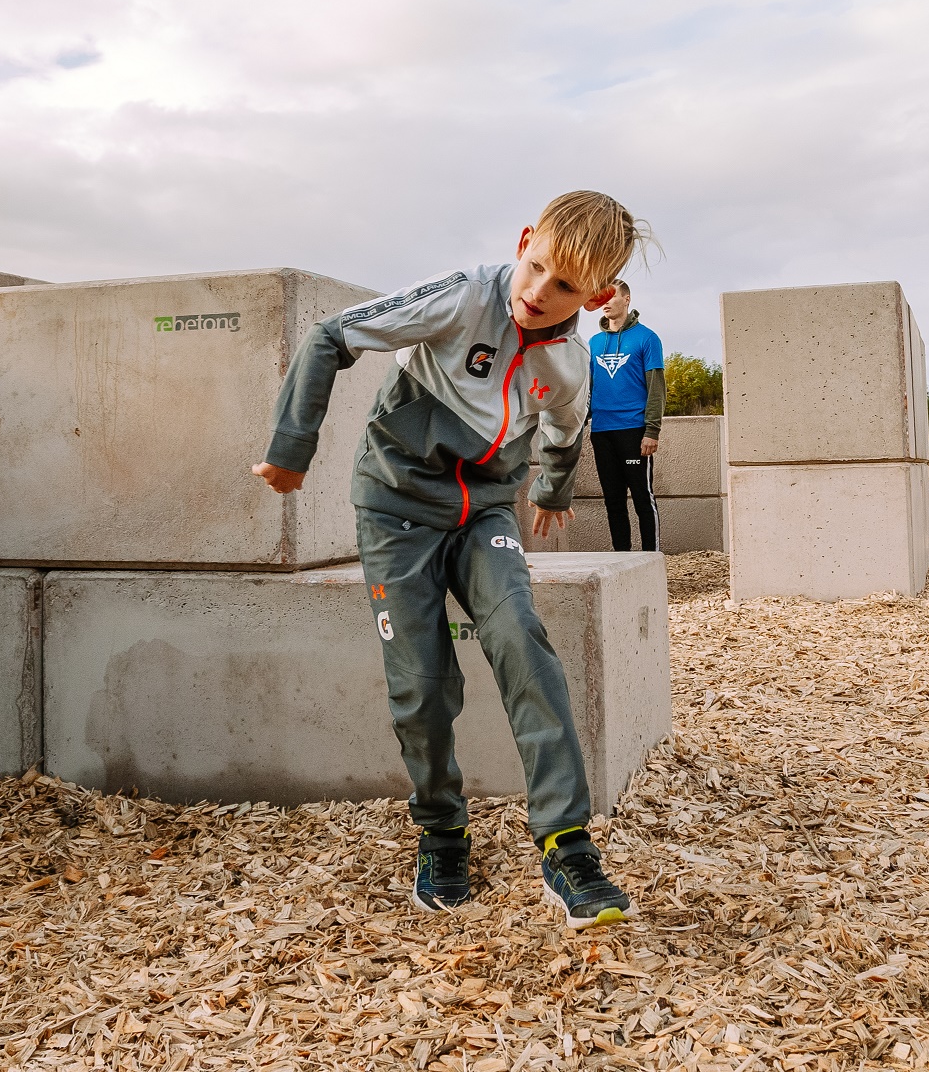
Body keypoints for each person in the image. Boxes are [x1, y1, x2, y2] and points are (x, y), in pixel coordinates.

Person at [250, 190, 644, 929]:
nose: (536, 294)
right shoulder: (463, 296)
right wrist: (289, 448)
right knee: (423, 683)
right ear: (524, 241)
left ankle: (566, 845)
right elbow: (332, 336)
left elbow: (565, 426)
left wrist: (554, 491)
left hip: (483, 514)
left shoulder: (567, 360)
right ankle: (441, 829)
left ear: (593, 297)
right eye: (534, 269)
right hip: (397, 507)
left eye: (562, 287)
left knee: (521, 641)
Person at [585, 282, 664, 551]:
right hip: (602, 431)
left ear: (627, 299)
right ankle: (621, 560)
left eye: (611, 296)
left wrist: (651, 430)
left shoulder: (647, 338)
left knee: (643, 498)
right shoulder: (594, 343)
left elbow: (656, 388)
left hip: (633, 430)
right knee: (613, 500)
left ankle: (651, 558)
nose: (604, 302)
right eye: (600, 297)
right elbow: (588, 389)